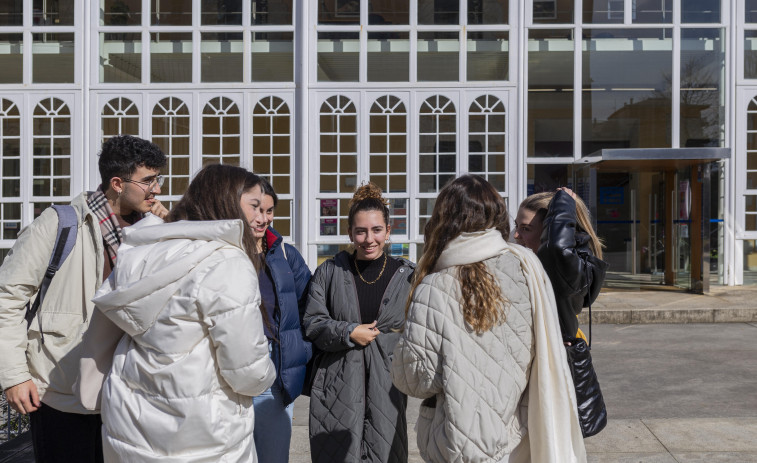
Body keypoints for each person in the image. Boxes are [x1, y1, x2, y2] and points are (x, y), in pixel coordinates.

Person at [391, 175, 586, 462]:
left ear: (443, 220)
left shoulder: (434, 287)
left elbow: (416, 381)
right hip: (518, 436)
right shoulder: (526, 268)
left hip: (455, 443)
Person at [92, 164, 276, 462]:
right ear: (226, 202)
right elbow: (246, 371)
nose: (260, 217)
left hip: (131, 423)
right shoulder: (226, 261)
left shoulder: (144, 250)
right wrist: (268, 376)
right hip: (204, 433)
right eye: (253, 206)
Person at [0, 135, 167, 462]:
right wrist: (15, 376)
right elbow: (8, 299)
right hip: (63, 389)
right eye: (148, 180)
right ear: (118, 183)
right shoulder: (60, 224)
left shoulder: (152, 231)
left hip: (130, 392)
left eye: (158, 179)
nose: (158, 189)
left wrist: (170, 226)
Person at [303, 183, 415, 463]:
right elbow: (313, 323)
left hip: (387, 389)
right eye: (361, 231)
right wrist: (348, 331)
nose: (369, 239)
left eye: (377, 230)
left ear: (388, 231)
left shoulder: (408, 276)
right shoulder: (329, 272)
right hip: (337, 387)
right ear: (350, 232)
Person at [251, 178, 312, 463]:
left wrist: (298, 353)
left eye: (269, 210)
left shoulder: (286, 255)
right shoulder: (223, 253)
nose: (263, 218)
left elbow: (310, 309)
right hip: (228, 373)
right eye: (256, 209)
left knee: (273, 457)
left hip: (274, 372)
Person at [514, 188, 608, 341]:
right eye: (516, 225)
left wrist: (562, 210)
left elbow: (557, 249)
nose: (516, 235)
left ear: (549, 232)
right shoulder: (533, 265)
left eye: (526, 228)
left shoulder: (566, 269)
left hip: (560, 359)